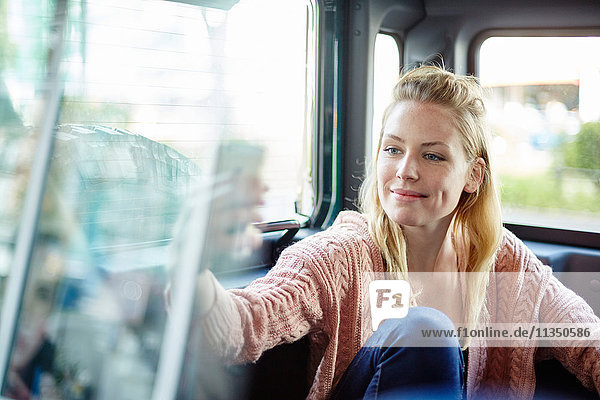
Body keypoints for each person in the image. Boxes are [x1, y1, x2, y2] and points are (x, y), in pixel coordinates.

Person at [180, 66, 600, 399]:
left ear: (473, 175)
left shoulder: (504, 261)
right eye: (393, 149)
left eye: (432, 155)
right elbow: (243, 326)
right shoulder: (337, 256)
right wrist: (192, 265)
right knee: (421, 329)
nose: (406, 170)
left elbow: (587, 340)